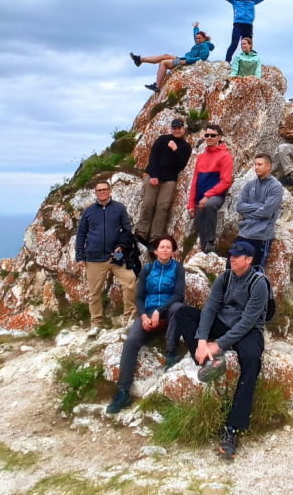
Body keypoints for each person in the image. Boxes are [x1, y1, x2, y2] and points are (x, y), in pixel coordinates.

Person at [170, 241, 270, 459]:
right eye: (231, 255)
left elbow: (247, 321)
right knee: (183, 313)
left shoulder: (259, 283)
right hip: (223, 322)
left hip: (248, 329)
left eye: (237, 256)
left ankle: (232, 428)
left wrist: (219, 344)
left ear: (249, 260)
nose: (231, 258)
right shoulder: (224, 278)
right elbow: (209, 309)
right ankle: (208, 362)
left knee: (252, 358)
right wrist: (202, 341)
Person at [106, 236, 185, 414]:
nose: (165, 250)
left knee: (178, 308)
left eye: (168, 247)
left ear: (173, 251)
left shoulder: (178, 269)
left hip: (167, 313)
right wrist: (143, 316)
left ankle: (171, 353)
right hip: (147, 314)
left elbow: (178, 294)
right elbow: (140, 297)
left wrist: (159, 311)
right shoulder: (148, 269)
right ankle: (123, 391)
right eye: (161, 247)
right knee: (131, 342)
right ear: (155, 251)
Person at [75, 180, 137, 331]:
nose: (102, 192)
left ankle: (129, 319)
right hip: (93, 258)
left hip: (116, 256)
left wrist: (121, 247)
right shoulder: (88, 212)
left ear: (110, 191)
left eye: (104, 189)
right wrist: (80, 256)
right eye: (99, 190)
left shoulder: (119, 208)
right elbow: (81, 234)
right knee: (94, 292)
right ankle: (96, 324)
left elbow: (127, 229)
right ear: (95, 193)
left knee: (130, 281)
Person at [136, 119, 192, 245]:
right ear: (171, 129)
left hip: (169, 180)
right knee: (148, 204)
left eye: (179, 128)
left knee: (163, 208)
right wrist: (154, 176)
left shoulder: (186, 147)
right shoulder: (162, 140)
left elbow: (182, 164)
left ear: (183, 129)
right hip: (152, 175)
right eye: (174, 128)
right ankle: (141, 234)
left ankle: (154, 238)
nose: (177, 130)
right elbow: (153, 158)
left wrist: (175, 149)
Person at [200, 0, 286, 62]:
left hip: (248, 25)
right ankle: (227, 61)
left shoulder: (253, 0)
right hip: (238, 24)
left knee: (248, 45)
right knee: (234, 43)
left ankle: (249, 62)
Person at [129, 22, 213, 93]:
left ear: (204, 39)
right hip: (183, 58)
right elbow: (195, 35)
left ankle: (157, 85)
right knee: (165, 55)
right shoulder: (198, 43)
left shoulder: (204, 46)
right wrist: (196, 27)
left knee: (164, 63)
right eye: (197, 38)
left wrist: (187, 61)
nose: (197, 40)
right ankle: (140, 59)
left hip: (185, 62)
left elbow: (202, 58)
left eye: (199, 38)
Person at [188, 124, 234, 253]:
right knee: (199, 220)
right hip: (200, 196)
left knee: (209, 206)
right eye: (206, 135)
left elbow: (225, 181)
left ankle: (210, 242)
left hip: (216, 195)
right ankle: (205, 251)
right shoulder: (201, 157)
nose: (209, 137)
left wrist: (207, 196)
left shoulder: (225, 156)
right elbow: (194, 181)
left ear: (219, 137)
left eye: (212, 135)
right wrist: (191, 204)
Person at [233, 154, 283, 269]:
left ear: (269, 166)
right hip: (244, 232)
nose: (256, 167)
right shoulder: (249, 185)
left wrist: (246, 215)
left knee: (254, 272)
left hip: (261, 236)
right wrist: (259, 205)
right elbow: (239, 206)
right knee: (232, 268)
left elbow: (266, 212)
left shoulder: (275, 186)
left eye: (260, 164)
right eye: (255, 164)